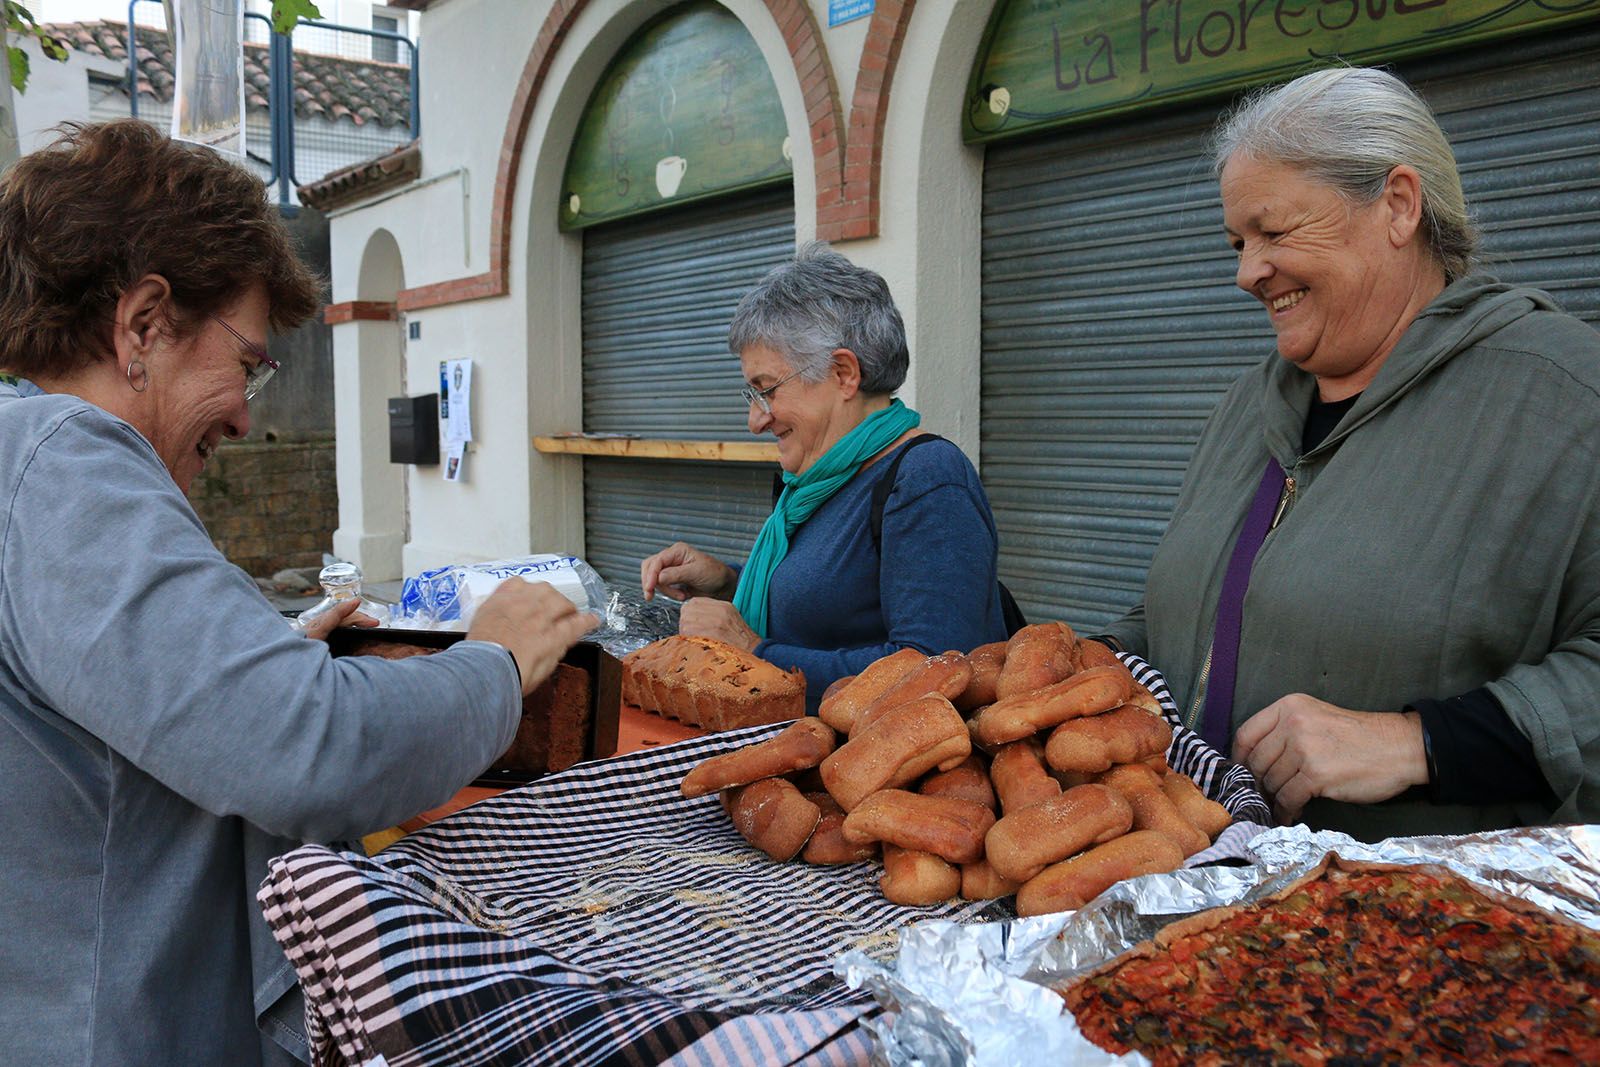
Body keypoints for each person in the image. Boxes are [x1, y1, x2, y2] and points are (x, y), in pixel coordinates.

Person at [0, 122, 596, 1065]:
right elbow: (309, 747)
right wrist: (497, 661)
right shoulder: (64, 464)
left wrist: (270, 651)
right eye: (247, 363)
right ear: (144, 324)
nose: (244, 411)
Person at [1097, 67, 1600, 841]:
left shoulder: (1565, 396)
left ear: (1398, 205)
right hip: (1207, 899)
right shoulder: (1249, 404)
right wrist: (1085, 662)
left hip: (1416, 931)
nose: (1244, 272)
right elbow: (1195, 616)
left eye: (1273, 231)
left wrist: (1418, 743)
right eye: (1238, 241)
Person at [640, 243, 1008, 713]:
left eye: (766, 390)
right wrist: (728, 582)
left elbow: (936, 673)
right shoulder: (822, 479)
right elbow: (832, 606)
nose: (756, 421)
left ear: (843, 373)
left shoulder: (926, 480)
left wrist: (755, 652)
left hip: (862, 774)